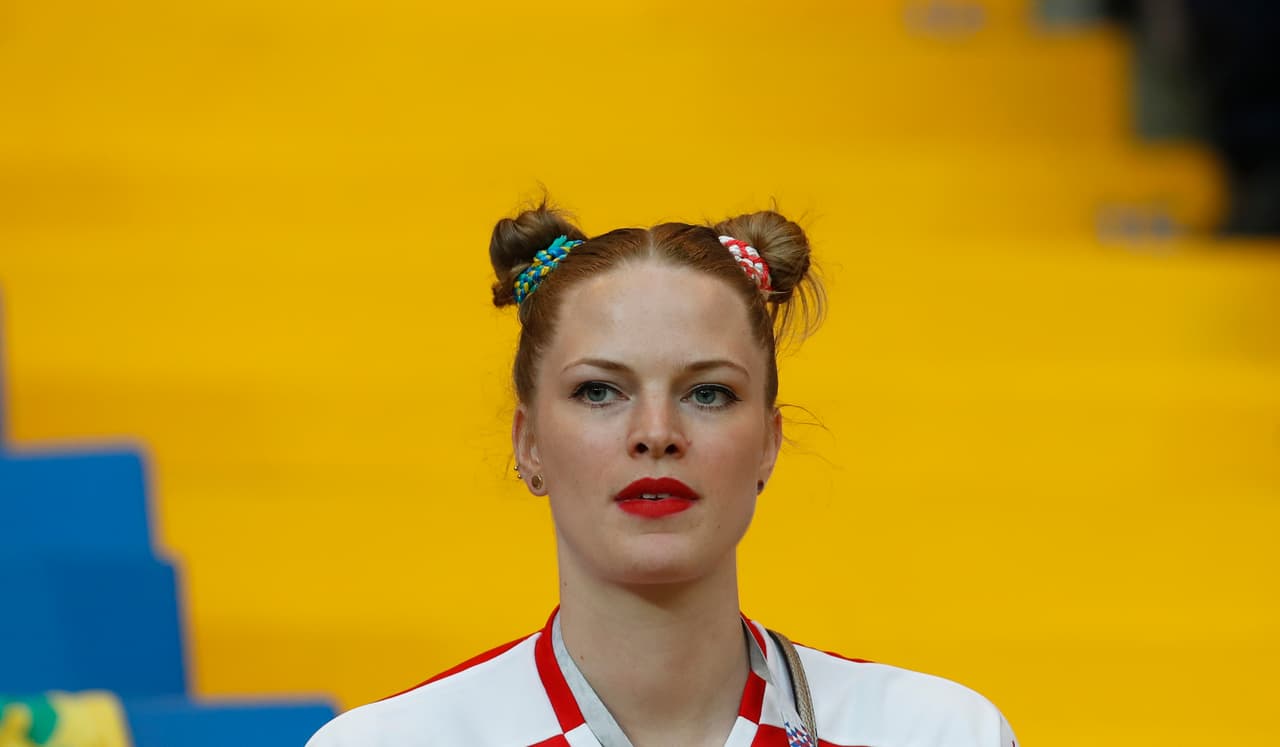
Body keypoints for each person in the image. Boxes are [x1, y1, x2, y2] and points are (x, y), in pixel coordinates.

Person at [307, 201, 1017, 746]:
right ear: (529, 443)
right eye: (599, 391)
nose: (655, 433)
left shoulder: (938, 733)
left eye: (708, 393)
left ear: (768, 445)